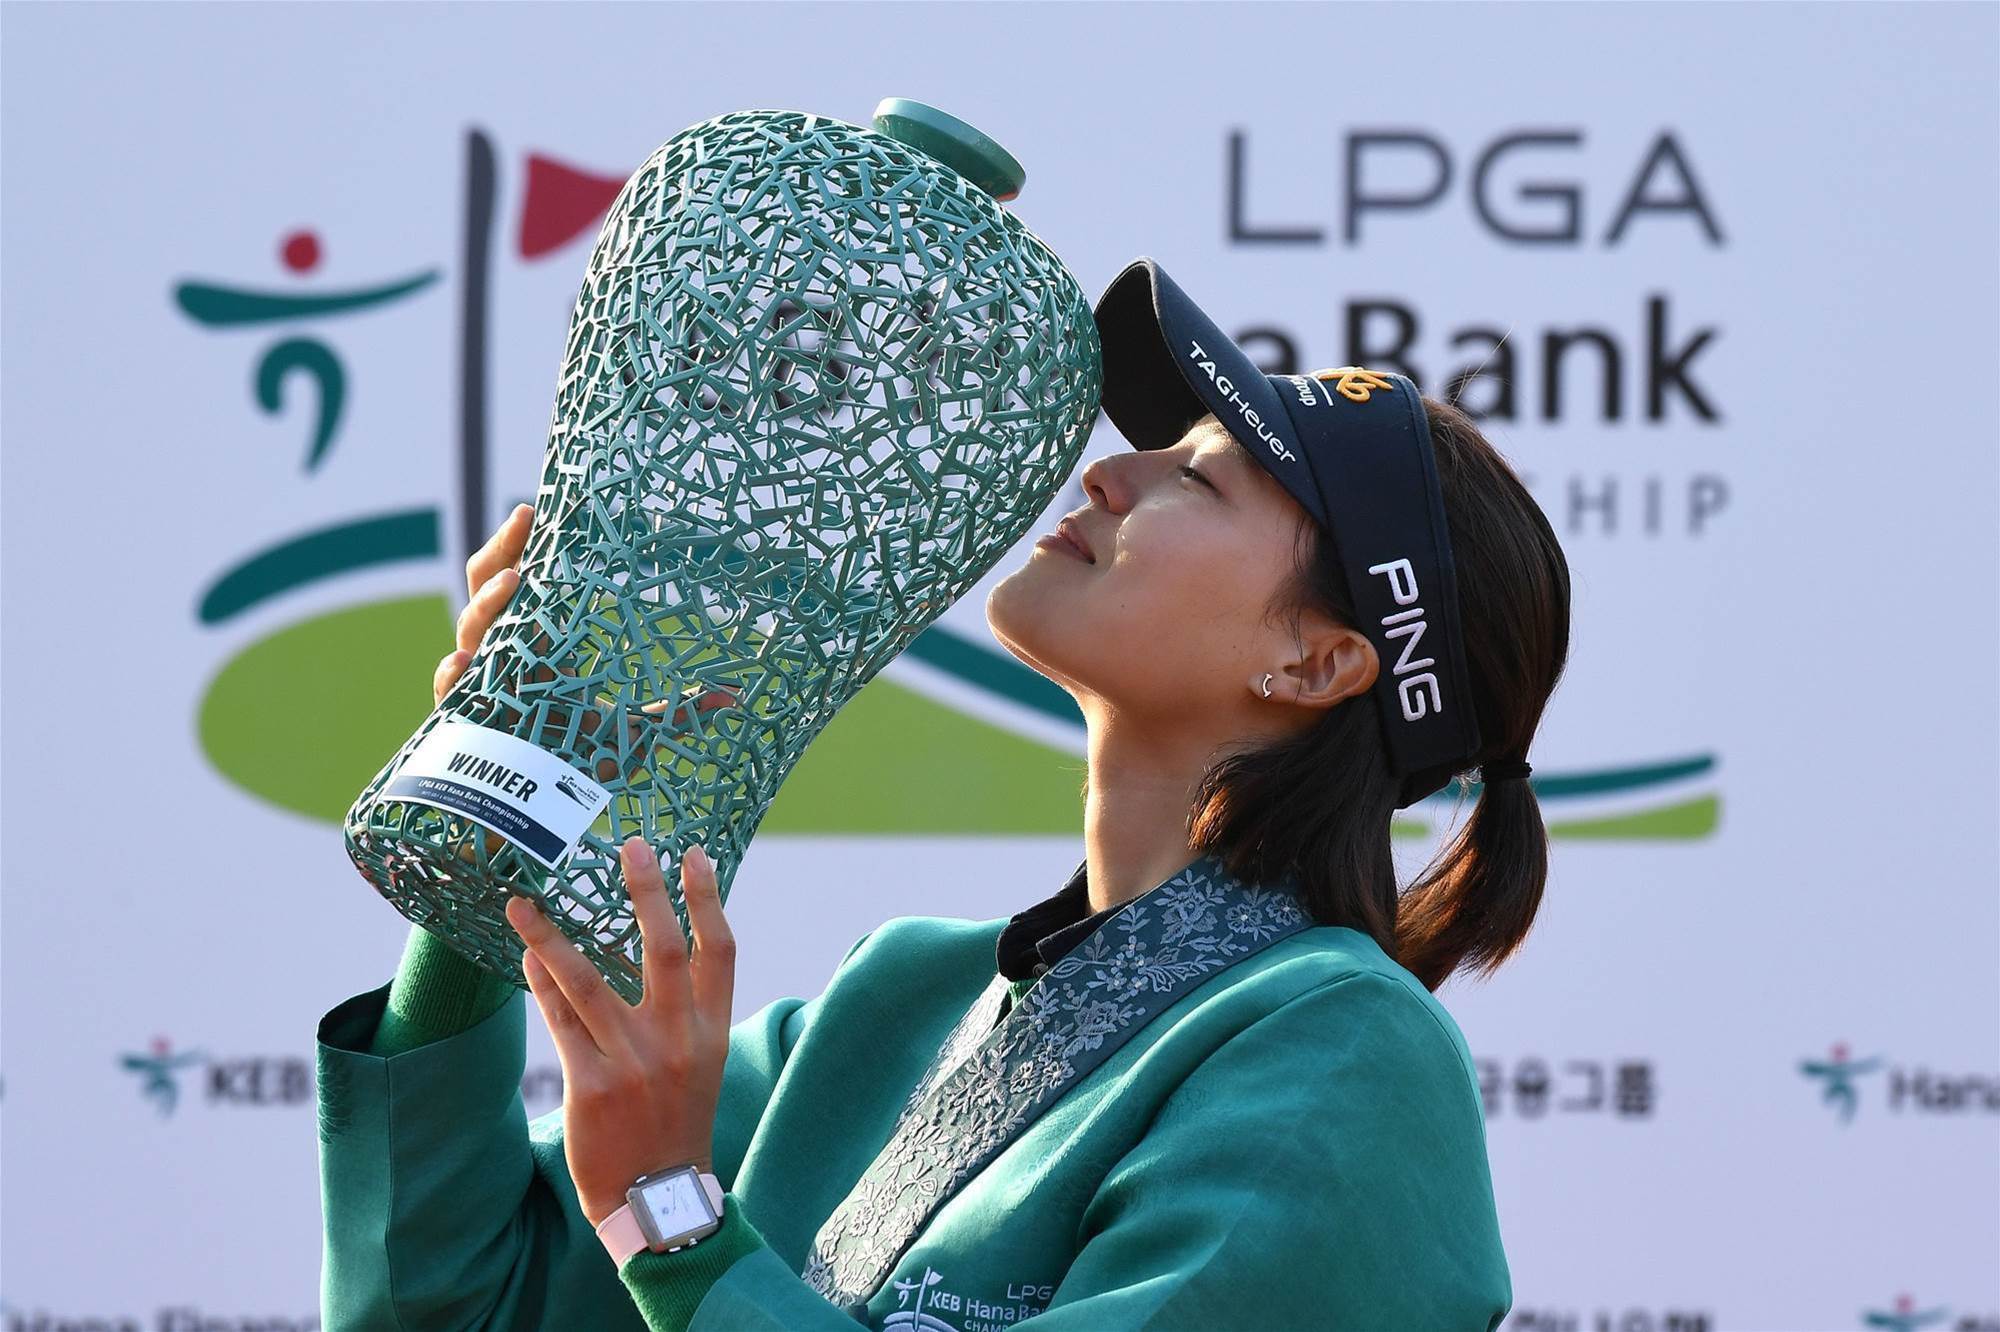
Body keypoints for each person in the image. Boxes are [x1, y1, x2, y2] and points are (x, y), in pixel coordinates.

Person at [315, 255, 1570, 1331]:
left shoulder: (1346, 1054)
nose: (1107, 477)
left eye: (1198, 478)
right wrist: (516, 788)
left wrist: (677, 1215)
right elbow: (441, 1302)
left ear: (1318, 662)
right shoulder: (897, 1001)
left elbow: (661, 1234)